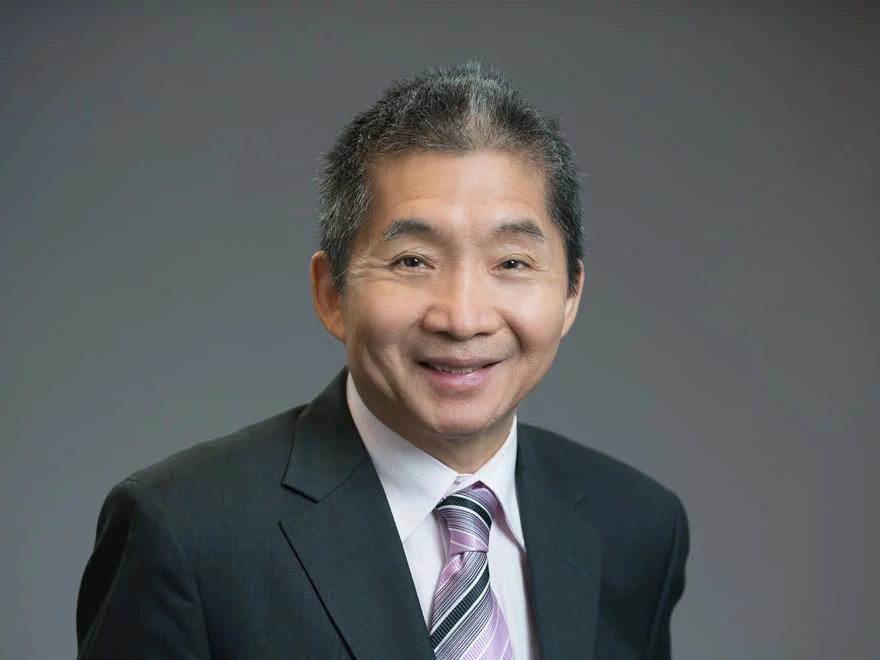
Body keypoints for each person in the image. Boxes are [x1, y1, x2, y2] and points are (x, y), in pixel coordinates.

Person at [76, 63, 688, 660]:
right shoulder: (185, 530)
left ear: (570, 294)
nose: (463, 317)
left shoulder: (637, 526)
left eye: (512, 262)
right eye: (413, 261)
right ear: (331, 293)